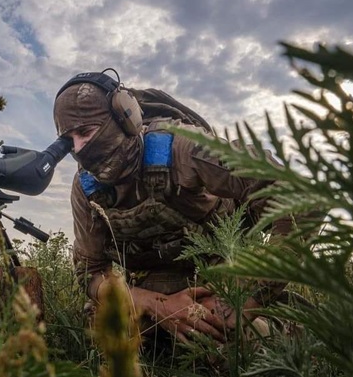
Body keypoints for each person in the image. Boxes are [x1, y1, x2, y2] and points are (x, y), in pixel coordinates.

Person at [53, 69, 293, 345]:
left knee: (223, 341)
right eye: (69, 140)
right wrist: (158, 305)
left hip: (217, 281)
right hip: (149, 289)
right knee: (104, 337)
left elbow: (289, 195)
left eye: (85, 131)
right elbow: (90, 272)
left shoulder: (182, 148)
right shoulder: (86, 188)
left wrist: (248, 296)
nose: (80, 149)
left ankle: (280, 327)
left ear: (125, 118)